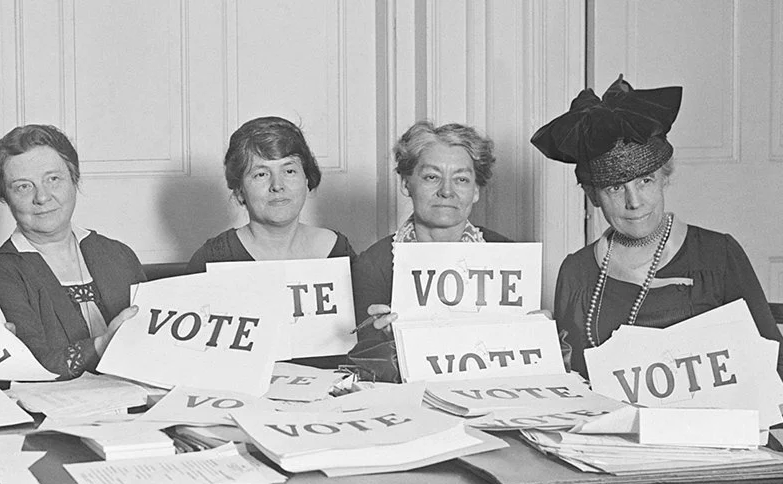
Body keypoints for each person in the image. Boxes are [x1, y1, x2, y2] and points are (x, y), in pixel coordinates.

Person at [532, 75, 783, 378]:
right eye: (615, 188)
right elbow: (571, 379)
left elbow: (772, 363)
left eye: (645, 181)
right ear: (593, 195)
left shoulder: (718, 254)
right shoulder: (577, 272)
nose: (634, 202)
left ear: (665, 177)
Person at [0, 125, 144, 379]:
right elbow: (30, 367)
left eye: (53, 179)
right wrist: (102, 345)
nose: (42, 197)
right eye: (23, 187)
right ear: (5, 198)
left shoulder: (119, 255)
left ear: (74, 180)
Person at [352, 121, 512, 326]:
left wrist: (539, 329)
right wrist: (378, 337)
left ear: (476, 191)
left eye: (461, 179)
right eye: (431, 177)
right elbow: (357, 343)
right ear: (406, 184)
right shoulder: (372, 266)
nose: (446, 191)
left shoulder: (509, 257)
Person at [186, 116, 357, 273]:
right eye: (261, 174)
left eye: (289, 171)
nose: (277, 186)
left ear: (306, 180)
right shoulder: (211, 259)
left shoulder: (338, 250)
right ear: (239, 191)